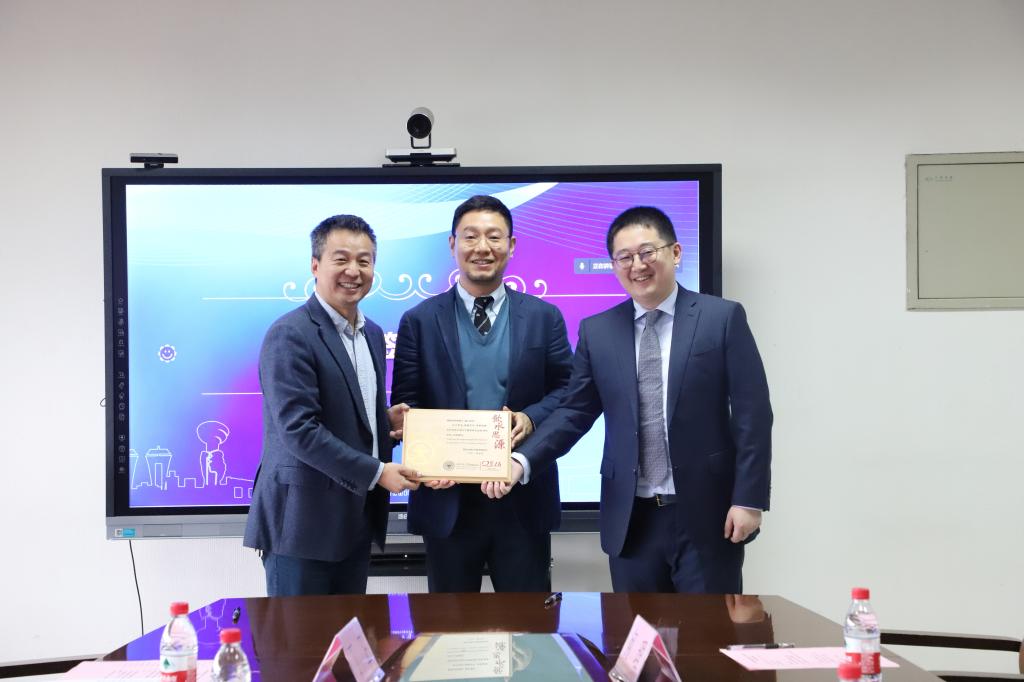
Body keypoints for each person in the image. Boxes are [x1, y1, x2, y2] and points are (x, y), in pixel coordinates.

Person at [511, 206, 773, 593]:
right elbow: (575, 411)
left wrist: (749, 499)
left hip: (707, 513)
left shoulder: (721, 318)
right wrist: (523, 459)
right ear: (614, 265)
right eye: (625, 257)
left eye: (647, 252)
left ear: (676, 252)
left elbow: (753, 415)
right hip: (632, 519)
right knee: (637, 631)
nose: (637, 265)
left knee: (708, 629)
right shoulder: (598, 331)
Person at [391, 195, 573, 593]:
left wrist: (531, 418)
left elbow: (568, 392)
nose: (482, 247)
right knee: (449, 625)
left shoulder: (545, 318)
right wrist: (426, 459)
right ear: (453, 244)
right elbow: (407, 404)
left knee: (527, 625)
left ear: (512, 245)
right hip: (447, 504)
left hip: (522, 496)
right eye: (470, 236)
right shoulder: (419, 321)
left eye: (494, 236)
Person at [243, 214, 420, 596]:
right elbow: (299, 430)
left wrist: (383, 421)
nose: (353, 271)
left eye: (364, 261)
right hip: (302, 527)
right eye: (341, 259)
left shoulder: (372, 334)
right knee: (298, 635)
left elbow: (342, 412)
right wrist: (378, 472)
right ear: (315, 265)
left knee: (347, 635)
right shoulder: (290, 333)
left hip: (355, 522)